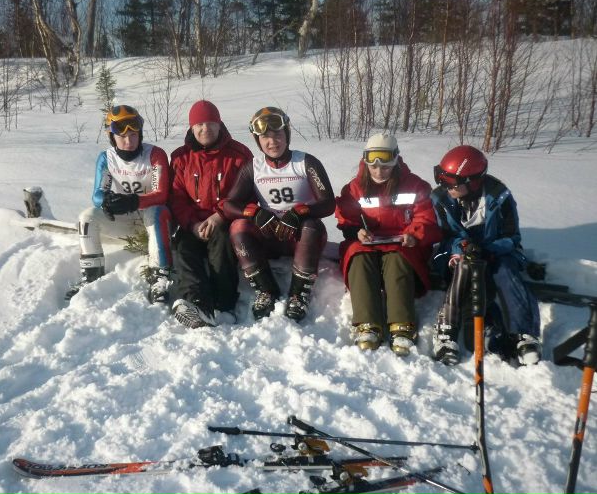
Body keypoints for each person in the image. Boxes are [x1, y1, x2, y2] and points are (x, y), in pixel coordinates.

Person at [430, 145, 542, 366]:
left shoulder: (498, 196)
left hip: (496, 250)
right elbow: (444, 234)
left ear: (472, 182)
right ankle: (447, 330)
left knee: (506, 272)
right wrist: (463, 246)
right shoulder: (441, 198)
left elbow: (512, 236)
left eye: (452, 183)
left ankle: (524, 334)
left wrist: (488, 250)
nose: (446, 187)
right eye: (442, 179)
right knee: (464, 268)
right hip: (456, 250)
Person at [221, 107, 335, 322]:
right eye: (265, 137)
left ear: (287, 134)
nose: (272, 142)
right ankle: (266, 290)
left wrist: (300, 212)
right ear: (257, 140)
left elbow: (328, 204)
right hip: (270, 236)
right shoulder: (253, 167)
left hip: (303, 239)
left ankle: (298, 295)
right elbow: (229, 205)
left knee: (311, 225)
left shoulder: (306, 162)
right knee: (238, 227)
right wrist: (255, 212)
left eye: (278, 135)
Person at [335, 134, 442, 356]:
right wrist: (357, 231)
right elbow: (346, 217)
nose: (379, 171)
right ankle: (367, 323)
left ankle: (402, 323)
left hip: (402, 242)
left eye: (385, 166)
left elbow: (426, 217)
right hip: (369, 242)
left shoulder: (414, 186)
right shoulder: (356, 187)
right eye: (373, 166)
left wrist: (414, 234)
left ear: (395, 161)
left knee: (396, 259)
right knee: (358, 255)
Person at [66, 105, 174, 303]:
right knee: (87, 218)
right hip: (123, 220)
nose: (128, 141)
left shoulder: (155, 155)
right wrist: (107, 200)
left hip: (152, 222)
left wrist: (134, 201)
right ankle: (90, 276)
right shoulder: (107, 158)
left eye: (133, 135)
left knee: (156, 211)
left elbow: (161, 195)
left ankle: (160, 278)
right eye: (122, 136)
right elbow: (97, 195)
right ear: (111, 136)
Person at [168, 100, 254, 328]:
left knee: (222, 245)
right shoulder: (180, 158)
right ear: (191, 127)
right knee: (184, 248)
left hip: (224, 221)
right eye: (199, 125)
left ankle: (225, 306)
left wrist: (219, 216)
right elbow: (176, 198)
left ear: (219, 124)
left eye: (210, 123)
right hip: (193, 223)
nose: (205, 129)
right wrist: (192, 224)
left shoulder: (239, 155)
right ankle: (197, 304)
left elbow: (244, 194)